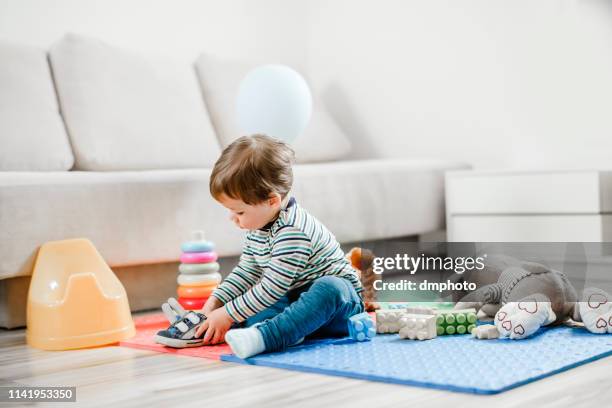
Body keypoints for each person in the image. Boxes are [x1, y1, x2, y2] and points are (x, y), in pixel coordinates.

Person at [194, 134, 364, 358]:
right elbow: (246, 272)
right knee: (249, 303)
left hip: (338, 309)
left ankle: (267, 336)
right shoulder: (259, 226)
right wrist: (215, 303)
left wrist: (227, 314)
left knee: (330, 288)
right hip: (291, 299)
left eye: (239, 211)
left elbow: (271, 288)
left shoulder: (293, 230)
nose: (232, 218)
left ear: (272, 201)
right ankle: (279, 330)